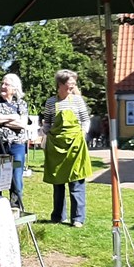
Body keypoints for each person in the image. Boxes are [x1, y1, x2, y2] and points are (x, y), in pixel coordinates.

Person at [42, 69, 92, 227]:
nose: (73, 86)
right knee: (58, 183)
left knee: (76, 181)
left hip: (75, 146)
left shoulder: (77, 101)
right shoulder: (51, 102)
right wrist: (46, 136)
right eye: (70, 83)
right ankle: (58, 216)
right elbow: (47, 123)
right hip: (57, 147)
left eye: (74, 83)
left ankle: (78, 218)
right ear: (60, 84)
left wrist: (83, 134)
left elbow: (85, 120)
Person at [0, 73, 29, 208]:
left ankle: (15, 208)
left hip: (17, 145)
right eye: (2, 83)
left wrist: (2, 120)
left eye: (6, 84)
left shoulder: (21, 103)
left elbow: (22, 123)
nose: (3, 86)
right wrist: (13, 117)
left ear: (14, 88)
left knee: (16, 179)